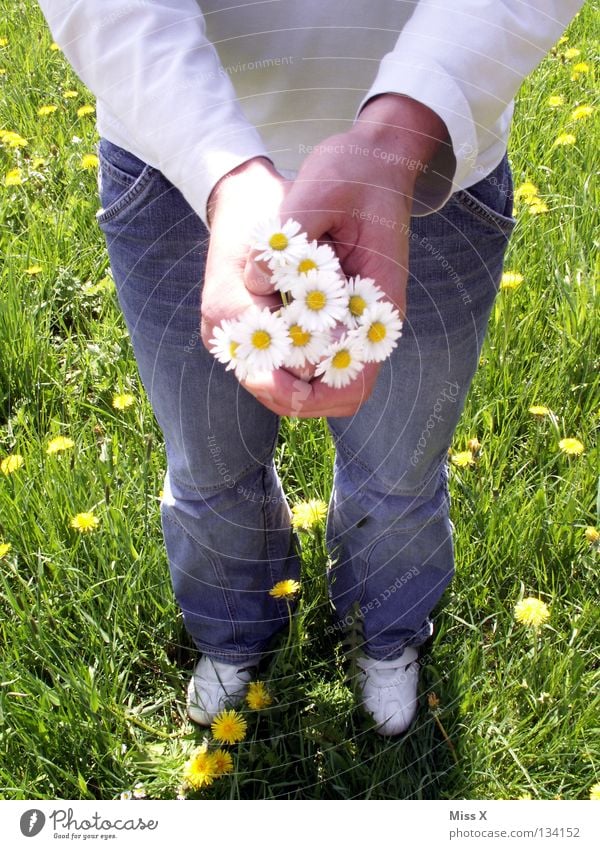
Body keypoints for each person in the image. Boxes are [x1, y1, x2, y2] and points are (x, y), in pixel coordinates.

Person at [37, 0, 583, 736]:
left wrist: (400, 132)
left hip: (436, 162)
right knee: (208, 462)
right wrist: (220, 167)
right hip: (169, 150)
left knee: (400, 467)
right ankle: (238, 634)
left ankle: (386, 633)